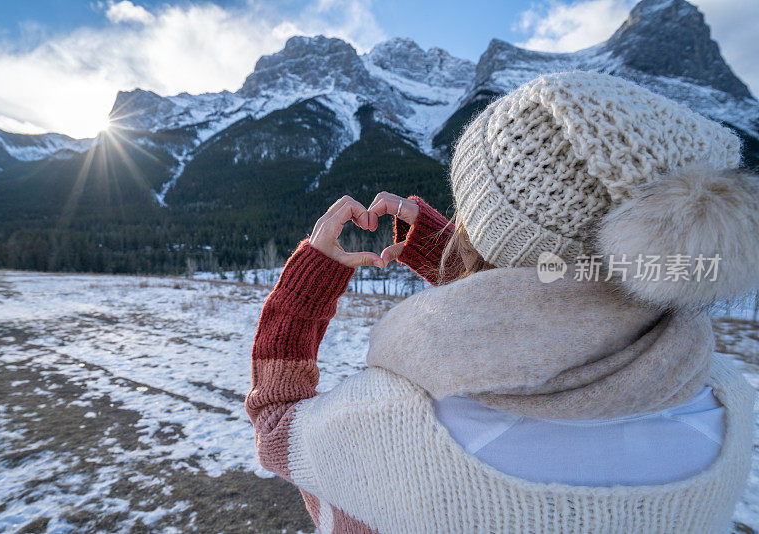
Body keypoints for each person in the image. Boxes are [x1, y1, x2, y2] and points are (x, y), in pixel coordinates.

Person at [245, 71, 758, 533]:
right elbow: (572, 294)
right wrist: (451, 251)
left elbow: (277, 427)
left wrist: (305, 288)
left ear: (480, 236)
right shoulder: (729, 402)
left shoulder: (394, 422)